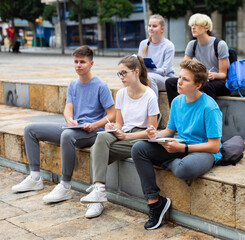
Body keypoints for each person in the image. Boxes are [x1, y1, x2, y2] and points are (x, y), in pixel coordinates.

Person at [12, 46, 115, 204]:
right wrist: (69, 119)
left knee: (67, 135)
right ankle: (34, 178)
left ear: (91, 64)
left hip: (93, 132)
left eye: (82, 62)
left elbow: (112, 114)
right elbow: (68, 108)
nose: (78, 65)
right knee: (30, 130)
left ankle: (65, 186)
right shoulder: (73, 85)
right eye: (75, 62)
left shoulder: (101, 86)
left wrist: (94, 125)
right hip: (75, 128)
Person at [131, 59, 223, 230]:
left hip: (202, 151)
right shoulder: (177, 102)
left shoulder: (210, 107)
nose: (179, 82)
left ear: (198, 85)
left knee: (183, 169)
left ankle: (166, 162)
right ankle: (155, 203)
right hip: (180, 146)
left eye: (185, 79)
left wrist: (183, 148)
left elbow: (214, 146)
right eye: (179, 77)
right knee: (139, 148)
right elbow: (169, 131)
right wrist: (155, 135)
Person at [79, 55, 159, 218]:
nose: (121, 77)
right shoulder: (121, 94)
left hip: (140, 138)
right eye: (119, 74)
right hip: (123, 134)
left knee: (97, 150)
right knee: (101, 138)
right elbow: (120, 124)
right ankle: (99, 192)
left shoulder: (150, 95)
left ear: (136, 72)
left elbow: (152, 132)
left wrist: (126, 137)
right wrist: (112, 127)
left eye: (124, 73)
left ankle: (98, 198)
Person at [165, 13, 230, 106]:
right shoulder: (192, 44)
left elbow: (223, 74)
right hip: (201, 79)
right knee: (170, 83)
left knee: (204, 86)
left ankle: (207, 114)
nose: (193, 27)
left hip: (218, 81)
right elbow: (184, 67)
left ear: (206, 28)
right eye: (192, 25)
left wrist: (213, 75)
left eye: (197, 25)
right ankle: (178, 112)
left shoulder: (220, 44)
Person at [138, 14, 175, 98]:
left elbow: (165, 71)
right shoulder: (143, 44)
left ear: (162, 29)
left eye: (154, 26)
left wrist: (148, 70)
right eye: (149, 25)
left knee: (149, 78)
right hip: (148, 75)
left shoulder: (169, 46)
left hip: (165, 79)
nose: (151, 28)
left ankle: (154, 110)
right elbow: (139, 65)